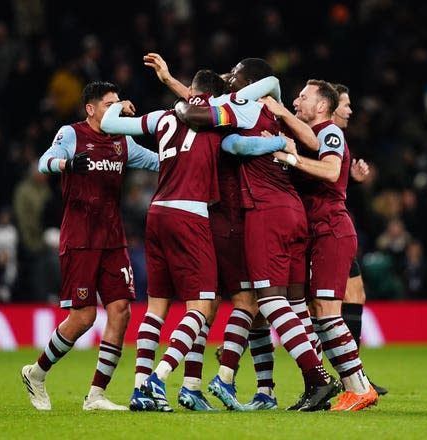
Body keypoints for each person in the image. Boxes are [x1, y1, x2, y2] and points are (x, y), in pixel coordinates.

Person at [101, 68, 295, 412]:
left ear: (191, 88)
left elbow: (110, 126)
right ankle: (158, 380)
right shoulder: (216, 116)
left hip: (156, 212)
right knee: (202, 307)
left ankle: (139, 389)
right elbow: (242, 137)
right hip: (191, 216)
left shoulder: (164, 115)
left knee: (156, 308)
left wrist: (119, 107)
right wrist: (281, 140)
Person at [176, 58, 338, 411]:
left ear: (250, 81)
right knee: (295, 306)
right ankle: (303, 386)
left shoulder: (244, 107)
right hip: (293, 211)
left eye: (235, 75)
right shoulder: (274, 114)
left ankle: (316, 378)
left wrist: (179, 104)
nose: (230, 80)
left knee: (267, 301)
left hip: (265, 213)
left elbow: (199, 117)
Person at [20, 81, 159, 411]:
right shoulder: (72, 134)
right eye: (109, 103)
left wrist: (187, 153)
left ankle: (96, 395)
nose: (116, 107)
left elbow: (157, 161)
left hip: (113, 239)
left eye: (118, 102)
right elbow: (45, 161)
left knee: (121, 311)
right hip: (80, 239)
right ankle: (36, 373)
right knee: (82, 318)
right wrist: (67, 164)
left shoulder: (122, 141)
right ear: (91, 109)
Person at [260, 79, 378, 411]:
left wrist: (290, 158)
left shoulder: (330, 132)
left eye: (304, 97)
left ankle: (360, 387)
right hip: (315, 233)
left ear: (322, 106)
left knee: (327, 313)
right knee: (314, 314)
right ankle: (326, 386)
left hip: (331, 230)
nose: (297, 101)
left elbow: (329, 170)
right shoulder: (309, 137)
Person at [332, 83, 388, 396]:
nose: (351, 110)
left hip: (338, 228)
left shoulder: (339, 141)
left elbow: (328, 185)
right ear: (329, 106)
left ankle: (354, 375)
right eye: (346, 104)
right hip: (320, 230)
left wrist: (350, 182)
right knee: (320, 307)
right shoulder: (320, 136)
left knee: (356, 295)